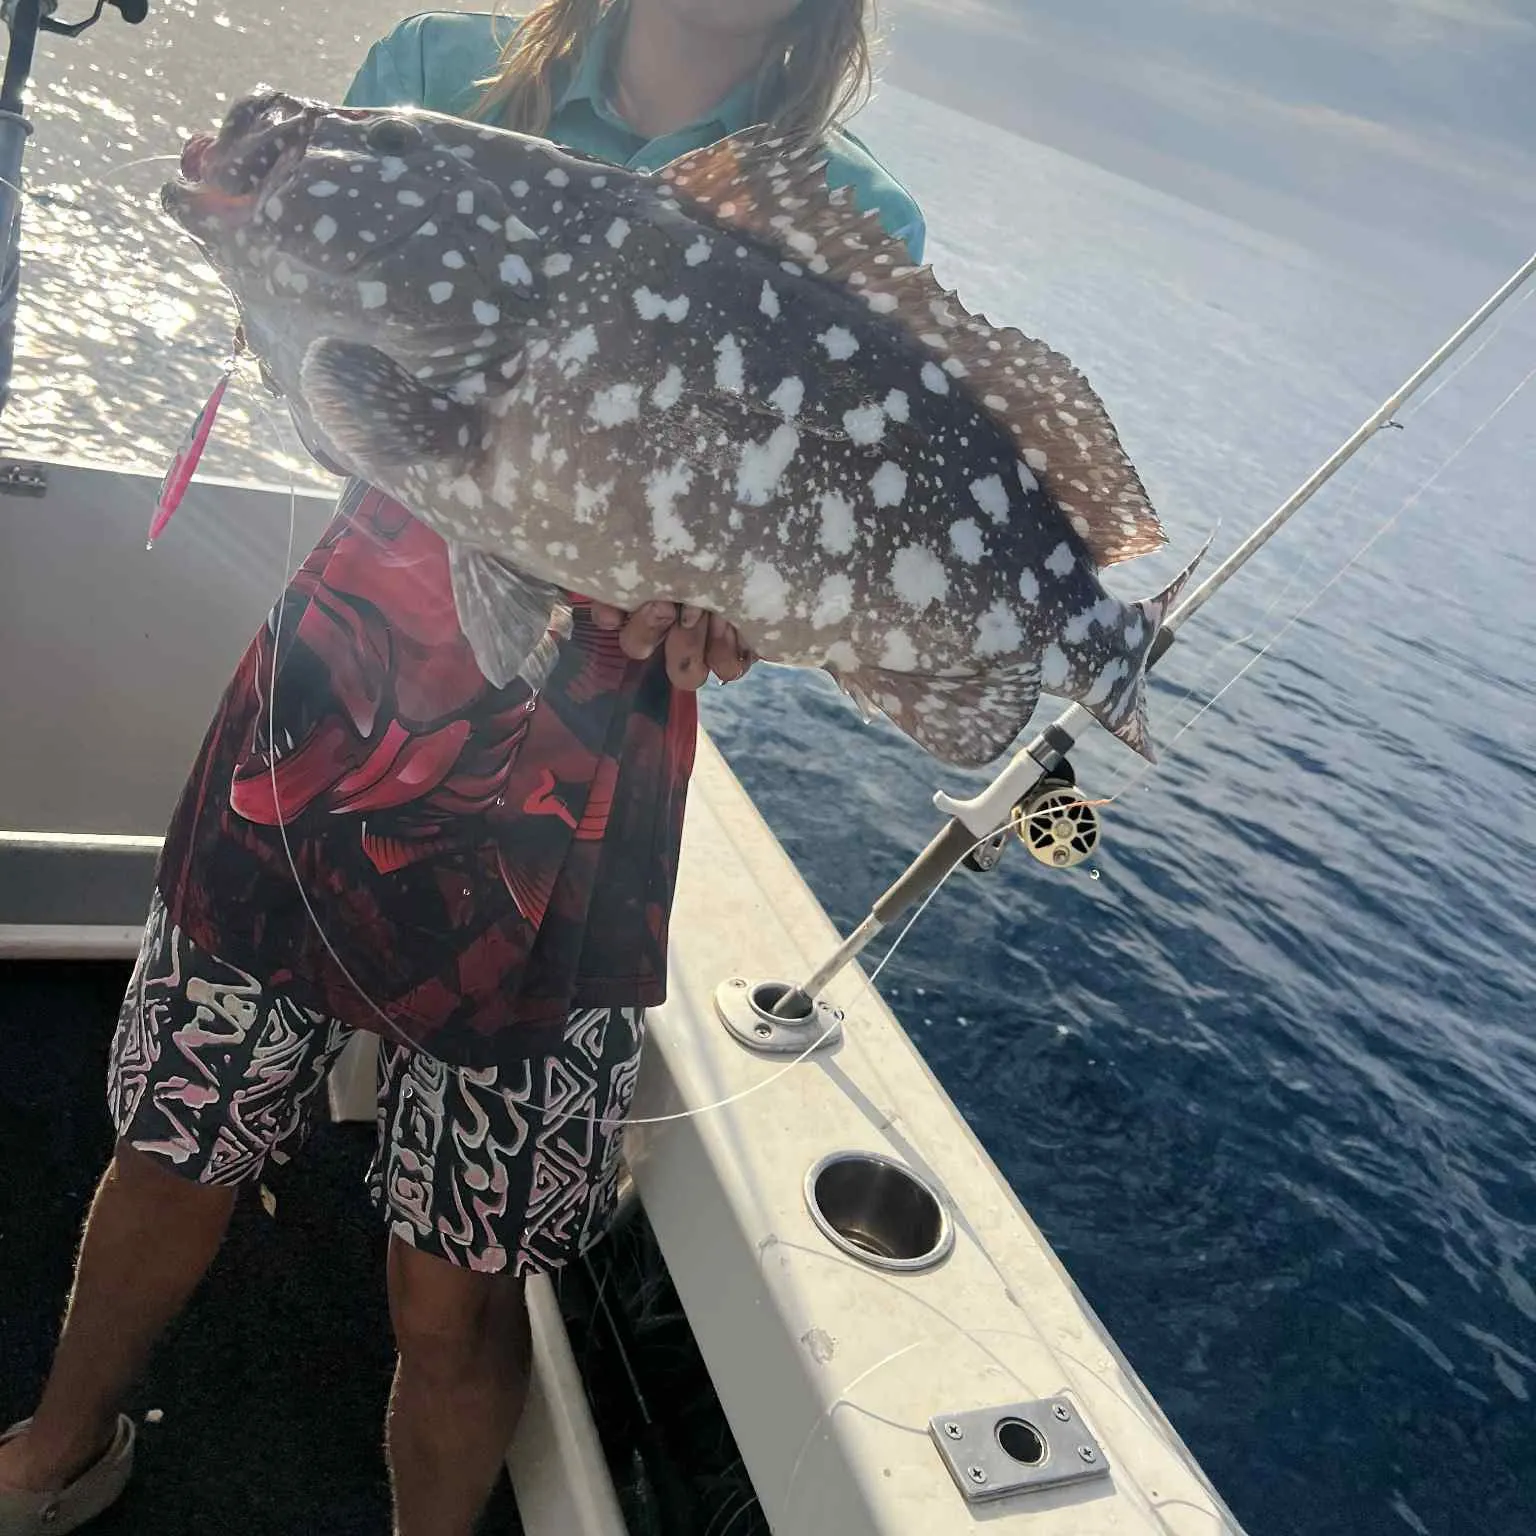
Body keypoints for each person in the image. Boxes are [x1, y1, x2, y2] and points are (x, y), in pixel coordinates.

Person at [0, 2, 924, 1532]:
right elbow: (309, 379)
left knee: (460, 1278)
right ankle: (59, 1448)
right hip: (333, 707)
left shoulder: (848, 216)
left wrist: (736, 615)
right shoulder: (431, 76)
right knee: (176, 1140)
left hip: (585, 780)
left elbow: (786, 539)